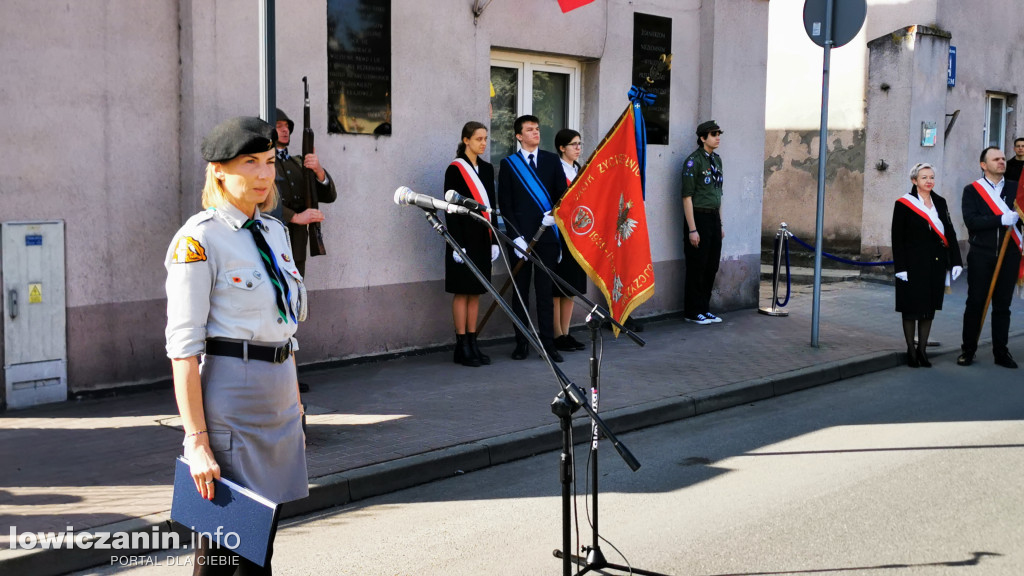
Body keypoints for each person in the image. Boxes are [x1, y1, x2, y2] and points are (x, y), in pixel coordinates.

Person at [165, 117, 308, 574]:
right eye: (250, 163)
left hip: (280, 396)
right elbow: (183, 349)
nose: (264, 175)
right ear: (219, 170)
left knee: (260, 549)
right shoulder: (200, 237)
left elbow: (283, 325)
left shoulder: (275, 231)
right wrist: (197, 441)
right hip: (232, 396)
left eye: (269, 162)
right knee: (222, 550)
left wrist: (297, 402)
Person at [498, 115, 569, 362]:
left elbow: (563, 196)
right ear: (519, 136)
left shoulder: (551, 161)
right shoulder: (509, 164)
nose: (536, 133)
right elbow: (505, 205)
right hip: (520, 242)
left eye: (537, 129)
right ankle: (522, 342)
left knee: (545, 293)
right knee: (520, 293)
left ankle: (548, 345)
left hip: (546, 238)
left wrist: (555, 217)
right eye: (530, 130)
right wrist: (515, 238)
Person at [890, 163, 962, 367]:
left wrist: (956, 260)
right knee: (911, 307)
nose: (929, 181)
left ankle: (922, 350)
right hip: (912, 264)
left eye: (931, 177)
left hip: (935, 263)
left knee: (929, 307)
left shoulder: (940, 201)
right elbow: (897, 238)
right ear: (914, 181)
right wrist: (900, 267)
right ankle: (911, 350)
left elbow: (949, 231)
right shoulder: (904, 203)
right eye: (924, 177)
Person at [957, 146, 1023, 368]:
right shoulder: (972, 191)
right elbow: (972, 221)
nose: (1002, 162)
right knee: (975, 302)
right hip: (981, 254)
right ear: (983, 165)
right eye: (996, 159)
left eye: (1004, 158)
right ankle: (968, 349)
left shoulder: (1016, 189)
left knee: (1003, 305)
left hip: (1009, 254)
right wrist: (999, 220)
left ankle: (1001, 352)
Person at [444, 121, 499, 367]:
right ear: (466, 140)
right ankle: (461, 345)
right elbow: (450, 209)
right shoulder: (454, 169)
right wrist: (457, 244)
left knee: (476, 292)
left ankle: (473, 341)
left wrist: (495, 238)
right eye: (479, 139)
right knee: (462, 291)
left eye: (485, 139)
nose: (483, 143)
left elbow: (491, 206)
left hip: (482, 239)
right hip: (462, 239)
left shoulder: (487, 169)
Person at [274, 108, 338, 278]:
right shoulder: (262, 165)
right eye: (279, 126)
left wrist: (318, 171)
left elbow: (328, 196)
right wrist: (294, 217)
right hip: (272, 241)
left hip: (298, 246)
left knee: (296, 297)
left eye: (287, 126)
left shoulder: (298, 163)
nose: (285, 130)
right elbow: (259, 201)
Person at [681, 120, 725, 326]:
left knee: (711, 265)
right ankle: (692, 310)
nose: (717, 137)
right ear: (702, 138)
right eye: (713, 134)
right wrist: (692, 229)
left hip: (713, 218)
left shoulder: (717, 160)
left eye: (718, 133)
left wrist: (721, 224)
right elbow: (687, 197)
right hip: (698, 217)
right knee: (697, 265)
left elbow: (718, 193)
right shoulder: (693, 161)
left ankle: (704, 309)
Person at [552, 128, 588, 352]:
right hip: (560, 235)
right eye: (573, 144)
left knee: (571, 288)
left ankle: (566, 332)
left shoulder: (581, 170)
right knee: (557, 288)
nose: (578, 148)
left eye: (579, 144)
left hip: (578, 235)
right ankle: (557, 334)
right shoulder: (556, 170)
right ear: (561, 148)